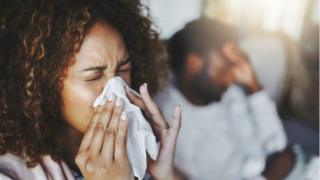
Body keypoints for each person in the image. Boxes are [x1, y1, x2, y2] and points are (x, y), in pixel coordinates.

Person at [0, 0, 182, 179]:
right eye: (93, 76)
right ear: (45, 85)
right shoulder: (10, 173)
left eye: (124, 69)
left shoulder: (136, 153)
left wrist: (165, 173)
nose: (118, 90)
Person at [156, 18, 295, 179]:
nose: (231, 78)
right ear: (193, 64)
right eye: (223, 69)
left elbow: (277, 144)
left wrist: (254, 85)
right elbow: (283, 156)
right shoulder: (168, 121)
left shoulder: (227, 93)